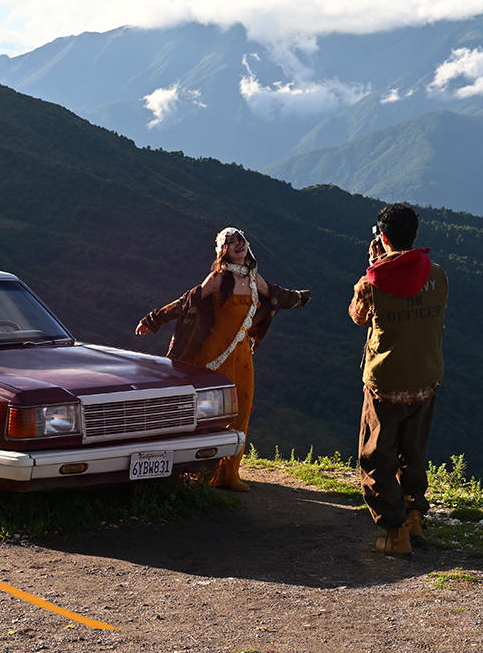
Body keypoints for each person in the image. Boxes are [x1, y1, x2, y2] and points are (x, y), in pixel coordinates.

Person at [136, 227, 309, 491]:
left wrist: (299, 298)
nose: (237, 244)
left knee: (242, 409)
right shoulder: (218, 279)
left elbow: (276, 294)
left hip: (242, 355)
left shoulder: (254, 279)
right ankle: (205, 471)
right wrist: (154, 319)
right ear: (222, 251)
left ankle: (230, 473)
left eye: (240, 239)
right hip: (215, 355)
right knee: (211, 413)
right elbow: (187, 302)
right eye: (230, 242)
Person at [349, 203, 448, 556]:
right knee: (413, 451)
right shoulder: (438, 274)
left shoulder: (370, 283)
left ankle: (395, 534)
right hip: (426, 376)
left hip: (385, 383)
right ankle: (415, 516)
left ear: (383, 237)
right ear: (416, 235)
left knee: (377, 457)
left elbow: (358, 318)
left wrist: (375, 267)